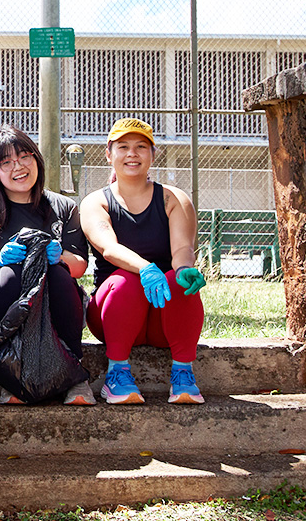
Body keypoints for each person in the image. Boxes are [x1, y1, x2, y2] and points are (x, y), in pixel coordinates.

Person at [79, 118, 209, 405]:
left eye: (141, 147)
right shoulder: (95, 202)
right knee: (127, 280)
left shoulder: (173, 198)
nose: (132, 154)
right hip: (113, 317)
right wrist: (146, 267)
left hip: (162, 317)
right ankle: (117, 374)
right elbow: (110, 249)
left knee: (179, 281)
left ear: (153, 153)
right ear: (109, 154)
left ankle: (183, 374)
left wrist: (185, 268)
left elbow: (182, 248)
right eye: (123, 147)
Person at [0, 124, 96, 406]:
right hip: (5, 312)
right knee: (11, 275)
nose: (18, 167)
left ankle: (75, 377)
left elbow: (80, 265)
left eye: (24, 156)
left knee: (58, 275)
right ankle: (11, 377)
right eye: (7, 162)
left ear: (36, 159)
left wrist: (59, 256)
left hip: (55, 308)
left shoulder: (63, 207)